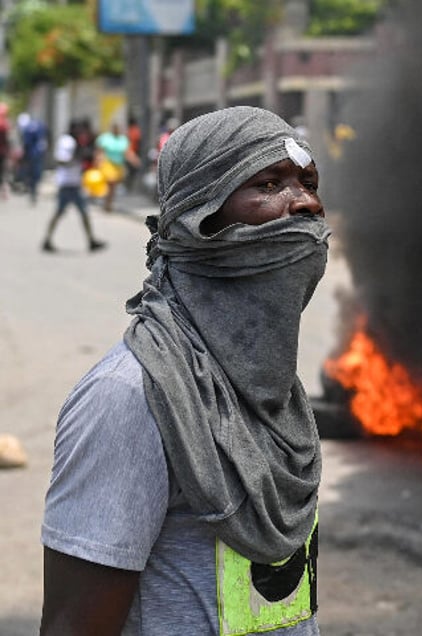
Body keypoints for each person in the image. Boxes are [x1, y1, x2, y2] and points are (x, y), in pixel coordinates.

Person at [40, 106, 329, 635]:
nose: (307, 202)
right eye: (269, 183)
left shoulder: (270, 390)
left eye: (307, 182)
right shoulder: (132, 397)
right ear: (200, 217)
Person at [41, 120, 107, 253]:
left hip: (74, 183)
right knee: (61, 213)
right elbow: (61, 160)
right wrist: (76, 158)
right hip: (67, 184)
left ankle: (91, 241)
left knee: (82, 213)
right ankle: (47, 240)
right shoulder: (67, 141)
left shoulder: (74, 142)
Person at [95, 121, 139, 212]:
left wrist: (135, 160)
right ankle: (107, 203)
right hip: (108, 163)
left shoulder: (123, 139)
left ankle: (108, 202)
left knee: (113, 186)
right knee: (110, 183)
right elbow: (100, 151)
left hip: (118, 165)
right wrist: (98, 160)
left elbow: (127, 152)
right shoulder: (105, 138)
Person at [18, 112, 48, 204]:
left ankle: (32, 191)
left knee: (31, 174)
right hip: (39, 153)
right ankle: (34, 191)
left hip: (32, 154)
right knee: (36, 173)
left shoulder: (27, 129)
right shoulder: (39, 125)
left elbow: (26, 144)